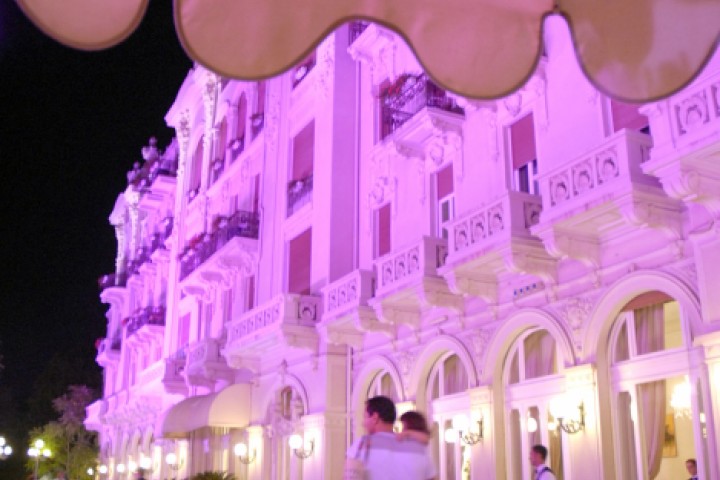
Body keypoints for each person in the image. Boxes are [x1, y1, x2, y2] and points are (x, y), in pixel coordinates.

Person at [347, 396, 436, 480]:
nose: (363, 423)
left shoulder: (363, 444)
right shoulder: (418, 447)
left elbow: (349, 476)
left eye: (365, 417)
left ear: (375, 417)